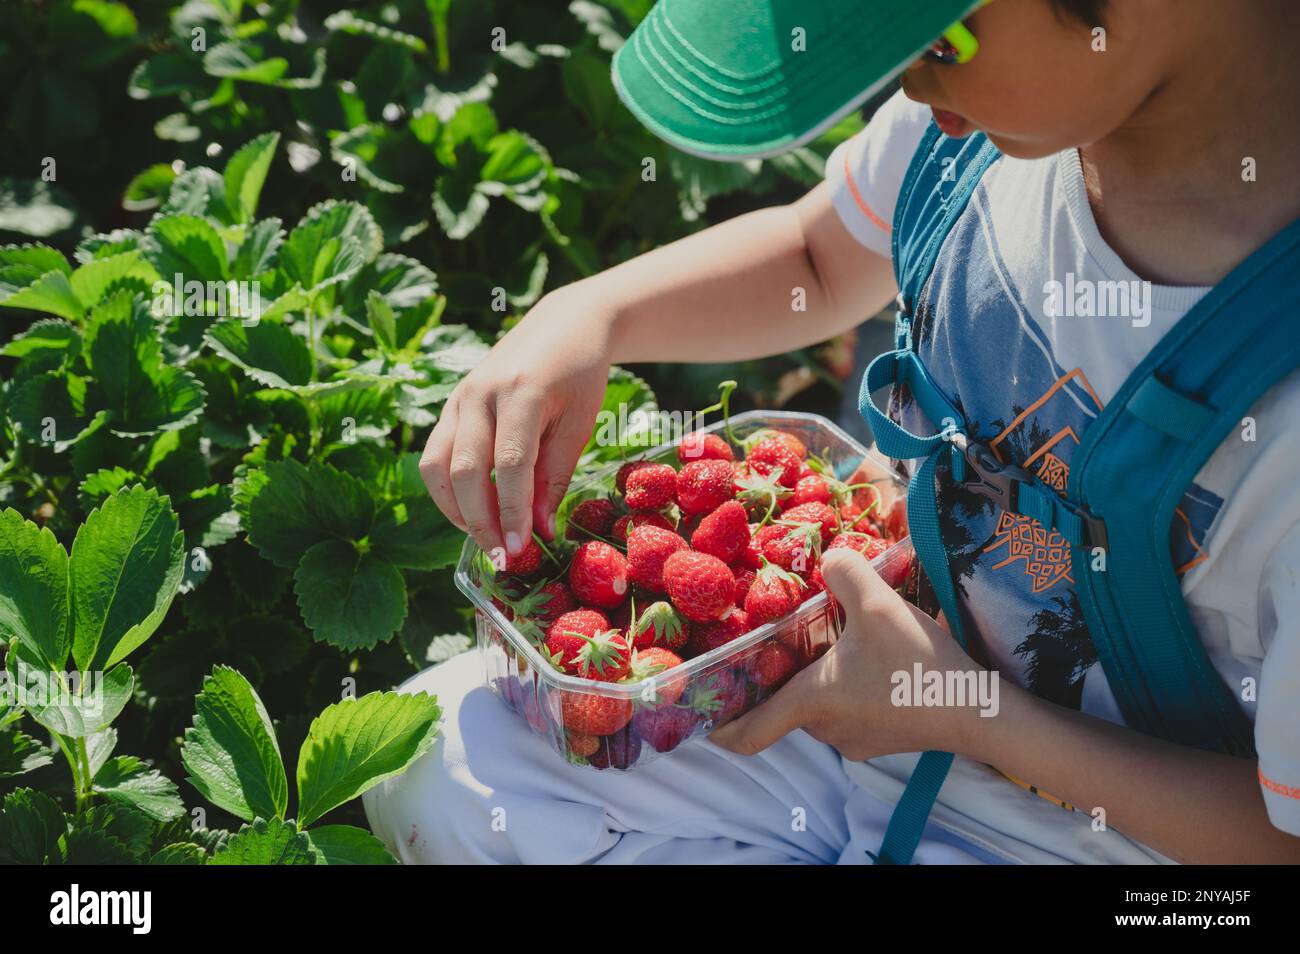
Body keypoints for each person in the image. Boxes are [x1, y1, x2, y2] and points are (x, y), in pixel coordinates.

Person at [362, 0, 1300, 864]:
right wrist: (590, 315)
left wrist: (964, 714)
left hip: (1123, 840)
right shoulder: (989, 135)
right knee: (434, 755)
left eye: (935, 42)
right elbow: (818, 253)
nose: (914, 88)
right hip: (860, 705)